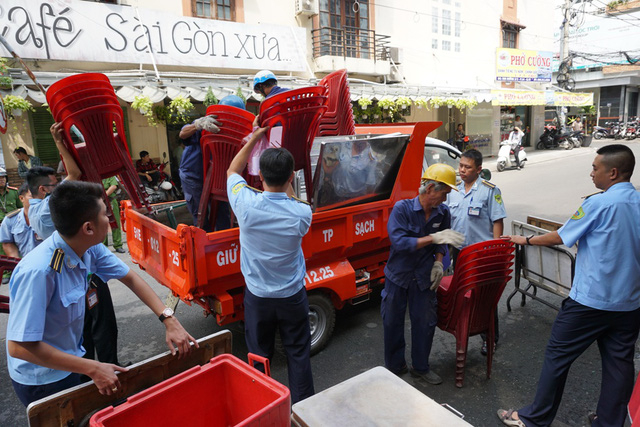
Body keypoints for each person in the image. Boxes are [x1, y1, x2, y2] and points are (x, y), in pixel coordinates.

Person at [6, 181, 198, 406]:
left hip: (71, 359)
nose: (110, 219)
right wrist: (93, 367)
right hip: (42, 379)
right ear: (88, 228)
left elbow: (130, 278)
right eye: (105, 215)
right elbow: (19, 347)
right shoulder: (39, 272)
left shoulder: (89, 247)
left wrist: (169, 319)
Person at [498, 144, 640, 427]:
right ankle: (609, 422)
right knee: (619, 365)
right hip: (629, 304)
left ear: (612, 173)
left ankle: (533, 418)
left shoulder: (598, 204)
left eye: (595, 168)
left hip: (589, 302)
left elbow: (561, 236)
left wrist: (524, 240)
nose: (591, 173)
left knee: (557, 358)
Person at [227, 125, 314, 404]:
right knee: (298, 354)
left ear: (260, 176)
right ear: (291, 177)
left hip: (258, 297)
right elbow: (287, 200)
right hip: (292, 296)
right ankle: (302, 410)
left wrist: (254, 137)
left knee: (259, 356)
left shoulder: (245, 205)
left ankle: (261, 406)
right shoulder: (303, 212)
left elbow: (232, 172)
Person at [381, 164, 465, 385]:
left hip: (424, 276)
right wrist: (433, 239)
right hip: (398, 275)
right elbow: (399, 242)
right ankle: (395, 367)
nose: (445, 200)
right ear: (429, 188)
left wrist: (439, 263)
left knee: (425, 322)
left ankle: (421, 367)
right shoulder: (402, 209)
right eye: (443, 193)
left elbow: (442, 243)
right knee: (392, 322)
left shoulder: (442, 213)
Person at [446, 149, 507, 355]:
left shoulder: (490, 191)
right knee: (462, 294)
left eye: (467, 167)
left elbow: (497, 221)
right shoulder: (453, 189)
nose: (462, 170)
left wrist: (497, 252)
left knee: (485, 298)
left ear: (479, 169)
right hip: (459, 252)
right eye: (461, 165)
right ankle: (463, 330)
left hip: (482, 254)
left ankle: (490, 339)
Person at [179, 95, 244, 231]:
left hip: (218, 177)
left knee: (223, 214)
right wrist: (198, 125)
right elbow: (183, 134)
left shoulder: (238, 130)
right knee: (200, 216)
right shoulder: (207, 122)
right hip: (194, 175)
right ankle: (204, 246)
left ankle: (222, 247)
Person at [0, 183, 41, 258]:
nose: (38, 200)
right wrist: (17, 261)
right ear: (22, 198)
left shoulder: (50, 217)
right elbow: (7, 243)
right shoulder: (11, 219)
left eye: (40, 196)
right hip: (24, 263)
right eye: (32, 196)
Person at [102, 176, 125, 254]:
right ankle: (103, 246)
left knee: (115, 222)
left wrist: (104, 196)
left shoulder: (110, 176)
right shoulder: (94, 177)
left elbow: (114, 186)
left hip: (111, 200)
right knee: (101, 223)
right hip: (99, 202)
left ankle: (118, 245)